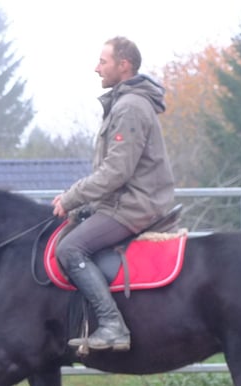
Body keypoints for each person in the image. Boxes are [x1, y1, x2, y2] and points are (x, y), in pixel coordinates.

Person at [52, 36, 175, 352]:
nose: (96, 68)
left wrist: (71, 198)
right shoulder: (124, 103)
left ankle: (112, 325)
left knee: (70, 249)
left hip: (134, 205)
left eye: (103, 61)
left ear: (124, 66)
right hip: (124, 200)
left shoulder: (130, 106)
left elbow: (116, 171)